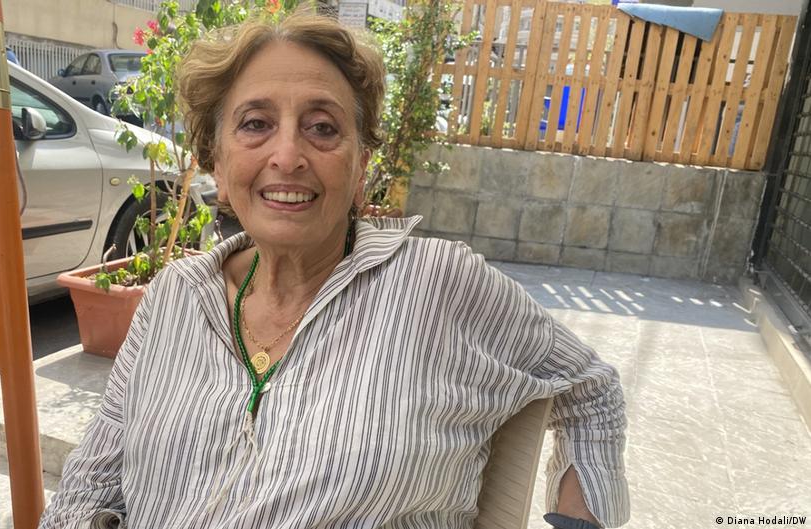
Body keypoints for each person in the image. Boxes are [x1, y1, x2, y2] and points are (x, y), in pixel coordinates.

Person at [39, 12, 629, 529]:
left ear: (361, 161)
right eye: (255, 123)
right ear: (215, 155)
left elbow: (591, 389)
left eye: (323, 127)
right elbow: (96, 476)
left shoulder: (439, 284)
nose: (288, 155)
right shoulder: (175, 296)